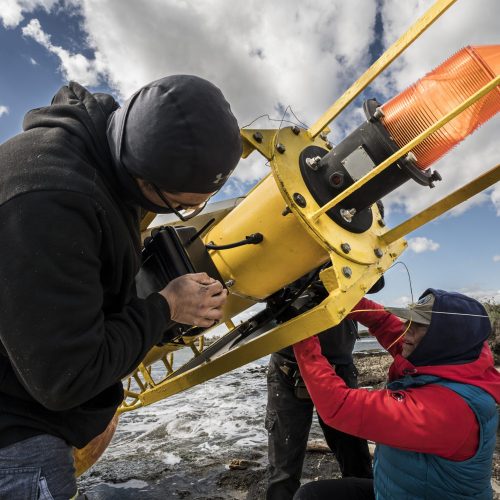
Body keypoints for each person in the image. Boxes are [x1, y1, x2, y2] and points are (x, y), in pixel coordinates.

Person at [0, 75, 241, 499]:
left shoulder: (95, 162)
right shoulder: (48, 204)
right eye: (183, 205)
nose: (190, 211)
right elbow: (66, 378)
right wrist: (165, 307)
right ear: (142, 177)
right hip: (16, 437)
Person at [292, 289, 500, 499]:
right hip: (400, 491)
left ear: (445, 338)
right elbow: (383, 323)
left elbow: (339, 405)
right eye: (409, 321)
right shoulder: (451, 357)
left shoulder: (450, 410)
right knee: (312, 495)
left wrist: (302, 334)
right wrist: (342, 300)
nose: (405, 329)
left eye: (418, 325)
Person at [266, 276, 373, 500]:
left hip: (339, 369)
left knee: (356, 458)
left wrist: (329, 273)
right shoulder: (279, 253)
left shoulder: (344, 245)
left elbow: (376, 280)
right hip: (288, 371)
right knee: (283, 470)